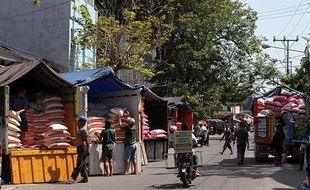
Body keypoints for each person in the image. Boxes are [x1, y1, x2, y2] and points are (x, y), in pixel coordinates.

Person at [69, 116, 89, 183]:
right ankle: (85, 178)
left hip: (82, 148)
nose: (77, 122)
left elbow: (87, 140)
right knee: (82, 164)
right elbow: (78, 139)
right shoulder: (80, 130)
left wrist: (87, 149)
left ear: (82, 122)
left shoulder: (83, 130)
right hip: (80, 148)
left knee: (79, 163)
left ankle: (73, 177)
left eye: (79, 121)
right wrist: (71, 138)